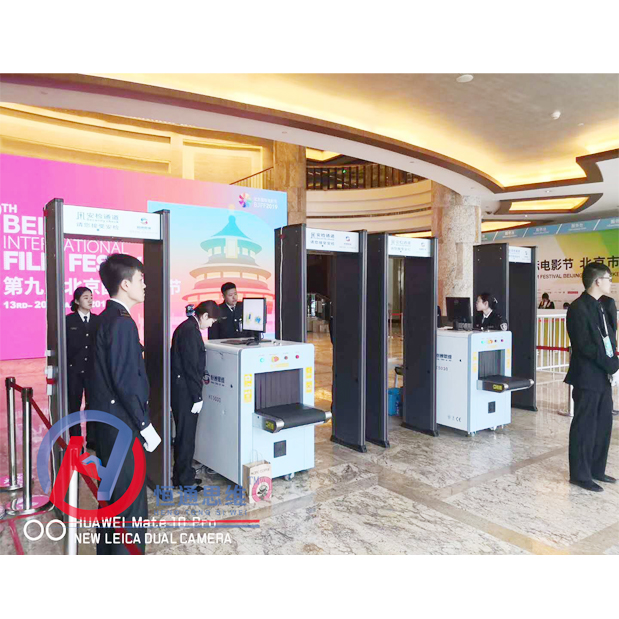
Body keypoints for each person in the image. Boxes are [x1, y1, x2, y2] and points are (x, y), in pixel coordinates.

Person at [90, 254, 161, 554]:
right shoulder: (121, 324)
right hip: (122, 426)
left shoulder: (106, 319)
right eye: (140, 279)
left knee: (112, 499)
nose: (145, 285)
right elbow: (126, 381)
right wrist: (144, 424)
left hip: (109, 425)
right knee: (129, 507)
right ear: (125, 284)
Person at [565, 262, 618, 492]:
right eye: (608, 278)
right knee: (584, 427)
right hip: (587, 376)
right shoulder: (577, 308)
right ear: (597, 281)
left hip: (603, 375)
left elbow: (610, 337)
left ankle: (596, 469)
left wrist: (612, 365)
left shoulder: (605, 305)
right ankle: (580, 474)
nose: (611, 282)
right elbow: (585, 346)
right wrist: (612, 365)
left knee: (603, 424)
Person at [171, 300, 220, 491]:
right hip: (185, 392)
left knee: (185, 435)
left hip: (183, 389)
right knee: (186, 436)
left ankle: (183, 475)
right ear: (204, 315)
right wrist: (197, 397)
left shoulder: (188, 327)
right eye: (211, 321)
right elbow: (191, 368)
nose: (211, 325)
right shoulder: (190, 331)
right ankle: (185, 480)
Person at [66, 286, 99, 447]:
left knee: (93, 405)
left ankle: (92, 439)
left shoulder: (97, 321)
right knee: (74, 405)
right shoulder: (68, 321)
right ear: (77, 301)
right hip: (74, 371)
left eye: (91, 297)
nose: (90, 300)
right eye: (86, 297)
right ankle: (75, 439)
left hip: (93, 372)